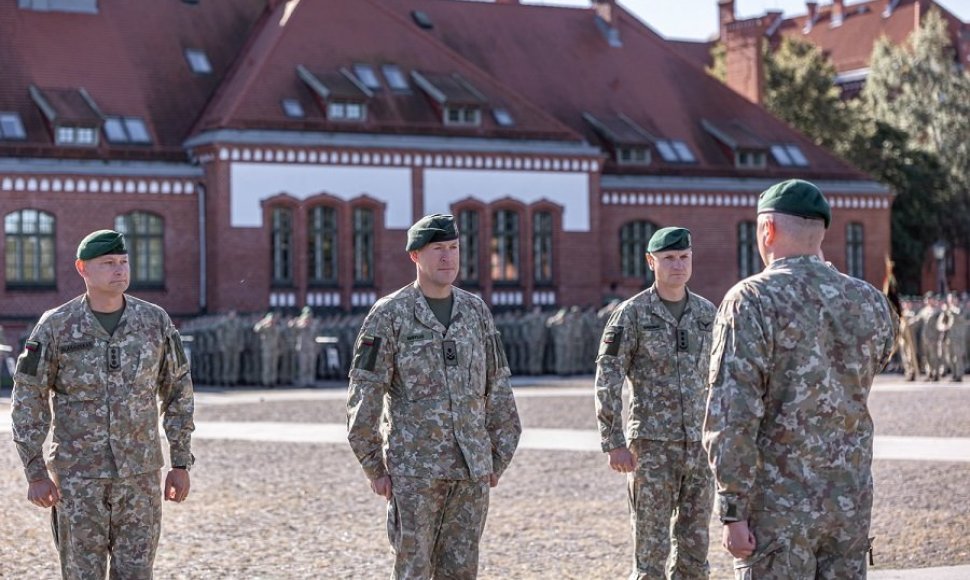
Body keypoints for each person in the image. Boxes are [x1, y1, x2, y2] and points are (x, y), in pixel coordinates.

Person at [704, 180, 897, 578]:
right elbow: (877, 361)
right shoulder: (869, 300)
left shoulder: (750, 299)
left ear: (767, 230)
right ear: (822, 232)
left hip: (778, 507)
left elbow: (732, 413)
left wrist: (732, 510)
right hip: (848, 500)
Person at [10, 229, 195, 580]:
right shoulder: (56, 327)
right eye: (108, 263)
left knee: (137, 574)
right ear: (83, 268)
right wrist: (35, 472)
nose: (119, 270)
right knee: (81, 575)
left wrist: (181, 461)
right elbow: (28, 397)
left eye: (124, 262)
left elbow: (178, 392)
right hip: (79, 480)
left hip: (139, 478)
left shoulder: (155, 322)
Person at [346, 214, 521, 579]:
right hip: (415, 473)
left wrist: (497, 456)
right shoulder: (390, 314)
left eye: (454, 248)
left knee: (461, 571)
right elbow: (365, 391)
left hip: (471, 470)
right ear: (415, 256)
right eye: (438, 249)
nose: (448, 258)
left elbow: (499, 384)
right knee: (413, 569)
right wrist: (373, 465)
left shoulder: (475, 311)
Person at [594, 227, 717, 579]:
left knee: (695, 553)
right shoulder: (631, 315)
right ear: (651, 261)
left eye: (683, 257)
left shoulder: (708, 314)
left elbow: (723, 379)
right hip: (651, 448)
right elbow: (608, 379)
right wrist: (614, 441)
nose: (677, 265)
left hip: (699, 447)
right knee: (650, 553)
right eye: (668, 258)